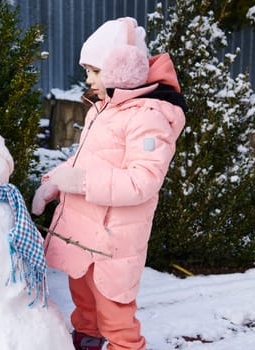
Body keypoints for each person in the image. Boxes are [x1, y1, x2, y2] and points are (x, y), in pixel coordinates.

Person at [32, 17, 187, 350]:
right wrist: (53, 183)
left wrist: (83, 181)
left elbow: (142, 181)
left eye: (95, 71)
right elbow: (85, 159)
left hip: (113, 243)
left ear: (124, 69)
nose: (88, 79)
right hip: (83, 235)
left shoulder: (148, 116)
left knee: (116, 317)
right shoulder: (101, 110)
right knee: (85, 307)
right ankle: (87, 341)